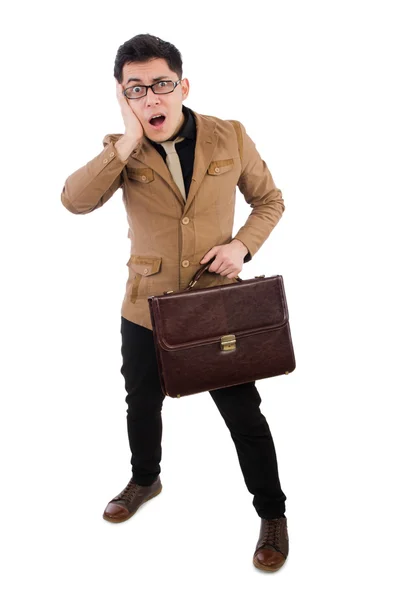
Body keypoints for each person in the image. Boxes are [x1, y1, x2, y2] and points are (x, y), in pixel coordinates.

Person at [61, 33, 288, 573]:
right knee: (141, 402)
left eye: (161, 84)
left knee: (243, 413)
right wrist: (124, 140)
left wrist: (241, 245)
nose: (152, 98)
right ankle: (145, 479)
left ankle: (273, 514)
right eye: (136, 89)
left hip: (215, 307)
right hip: (145, 305)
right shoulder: (122, 147)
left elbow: (270, 200)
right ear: (124, 96)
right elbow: (74, 201)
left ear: (182, 85)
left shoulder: (229, 135)